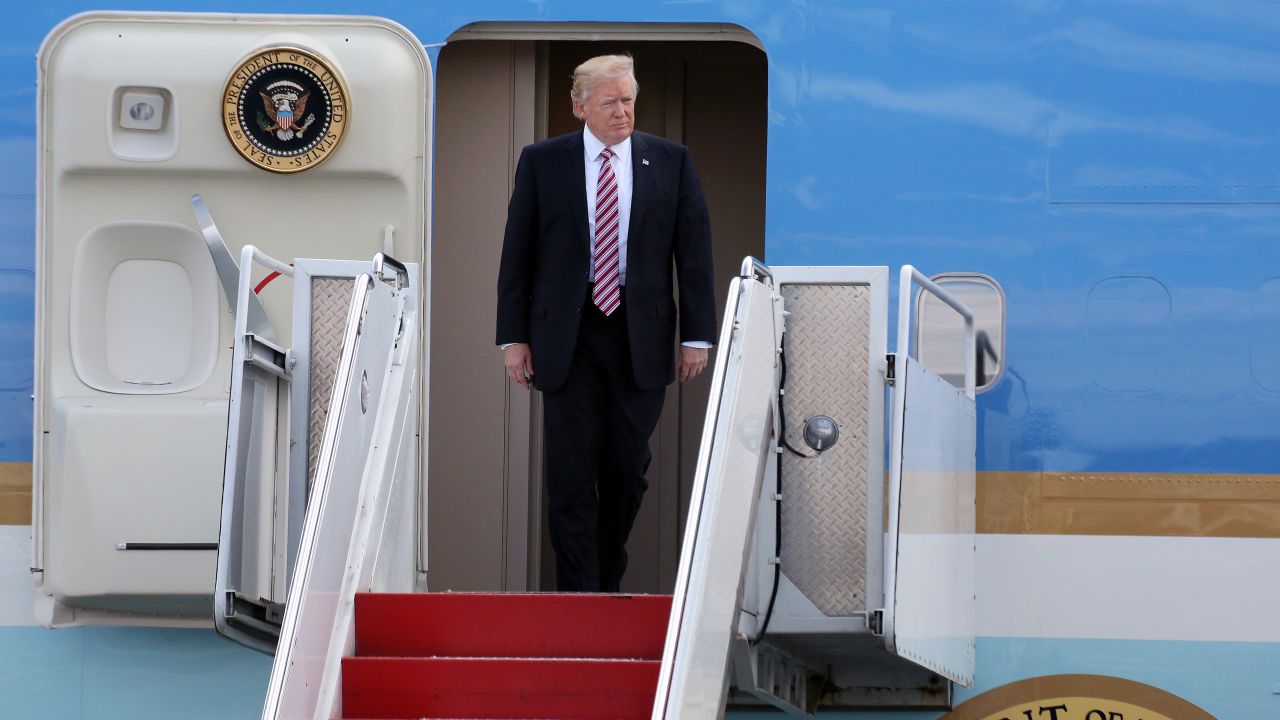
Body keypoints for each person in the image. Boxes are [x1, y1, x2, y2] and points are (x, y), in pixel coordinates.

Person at [496, 54, 716, 592]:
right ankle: (580, 596)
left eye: (628, 100)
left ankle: (606, 573)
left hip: (639, 337)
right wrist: (513, 337)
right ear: (580, 107)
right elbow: (517, 254)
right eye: (610, 102)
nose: (622, 112)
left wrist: (696, 336)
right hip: (567, 338)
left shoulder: (670, 161)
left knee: (626, 469)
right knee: (571, 474)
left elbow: (693, 256)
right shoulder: (543, 162)